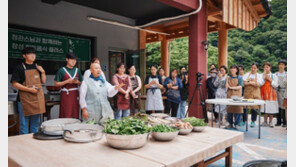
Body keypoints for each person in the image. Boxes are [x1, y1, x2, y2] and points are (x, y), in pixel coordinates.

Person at [11, 47, 46, 134]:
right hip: (24, 100)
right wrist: (29, 89)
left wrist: (43, 72)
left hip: (36, 99)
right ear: (24, 55)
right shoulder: (19, 67)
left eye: (34, 53)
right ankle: (23, 146)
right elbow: (14, 83)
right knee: (23, 125)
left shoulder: (38, 67)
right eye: (30, 54)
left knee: (35, 124)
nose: (33, 55)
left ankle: (33, 145)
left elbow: (43, 81)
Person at [55, 52, 83, 119]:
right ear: (67, 59)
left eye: (75, 60)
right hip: (66, 94)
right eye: (72, 59)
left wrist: (77, 82)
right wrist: (67, 81)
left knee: (75, 113)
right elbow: (56, 84)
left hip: (75, 94)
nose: (74, 61)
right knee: (66, 113)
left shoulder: (77, 70)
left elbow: (81, 83)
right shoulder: (62, 70)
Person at [243, 62, 264, 128]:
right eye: (252, 68)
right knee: (245, 107)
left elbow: (258, 84)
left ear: (257, 69)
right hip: (247, 93)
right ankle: (244, 120)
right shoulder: (246, 74)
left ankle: (253, 121)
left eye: (255, 68)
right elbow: (244, 83)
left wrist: (249, 82)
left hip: (255, 93)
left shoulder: (259, 75)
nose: (253, 69)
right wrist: (253, 82)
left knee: (255, 107)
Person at [260, 62, 279, 128]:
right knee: (264, 108)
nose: (266, 68)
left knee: (271, 108)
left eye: (267, 67)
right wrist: (264, 79)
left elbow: (276, 85)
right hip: (263, 94)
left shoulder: (274, 75)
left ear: (270, 67)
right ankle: (265, 121)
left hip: (271, 94)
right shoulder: (261, 75)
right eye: (264, 67)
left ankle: (271, 122)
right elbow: (260, 84)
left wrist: (270, 80)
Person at [226, 65, 243, 129]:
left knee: (237, 109)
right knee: (229, 109)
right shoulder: (228, 77)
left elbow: (240, 86)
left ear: (236, 70)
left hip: (237, 94)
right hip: (229, 94)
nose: (232, 70)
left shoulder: (239, 77)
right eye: (231, 68)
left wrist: (232, 87)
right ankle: (230, 123)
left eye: (234, 68)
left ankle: (237, 124)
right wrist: (226, 80)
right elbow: (226, 86)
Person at [275, 59, 287, 127]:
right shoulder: (276, 74)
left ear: (285, 66)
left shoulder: (286, 74)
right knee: (278, 107)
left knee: (285, 107)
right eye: (280, 64)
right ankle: (278, 121)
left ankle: (285, 122)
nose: (281, 66)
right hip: (278, 91)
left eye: (282, 64)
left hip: (285, 91)